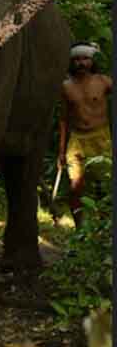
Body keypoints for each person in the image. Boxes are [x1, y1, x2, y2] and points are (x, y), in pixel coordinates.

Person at [57, 43, 112, 228]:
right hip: (77, 140)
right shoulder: (66, 86)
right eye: (77, 60)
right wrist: (61, 152)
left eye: (85, 59)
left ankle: (103, 228)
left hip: (101, 139)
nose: (81, 63)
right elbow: (63, 119)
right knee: (76, 187)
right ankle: (79, 229)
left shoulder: (104, 81)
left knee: (103, 186)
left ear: (91, 61)